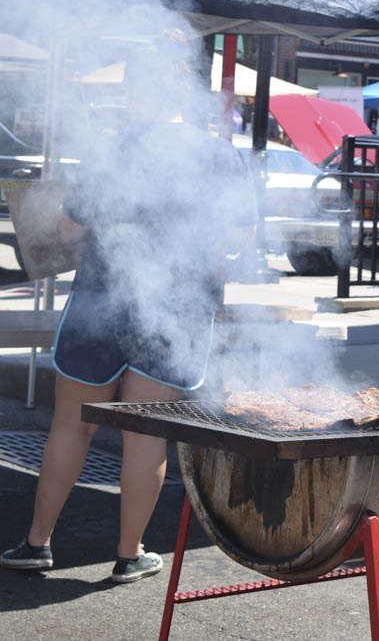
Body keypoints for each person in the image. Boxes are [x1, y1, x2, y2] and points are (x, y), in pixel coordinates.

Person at [0, 29, 256, 583]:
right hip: (178, 310)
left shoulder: (110, 149)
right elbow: (236, 238)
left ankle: (36, 543)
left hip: (101, 298)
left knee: (71, 425)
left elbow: (70, 226)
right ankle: (128, 554)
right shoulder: (217, 155)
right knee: (147, 433)